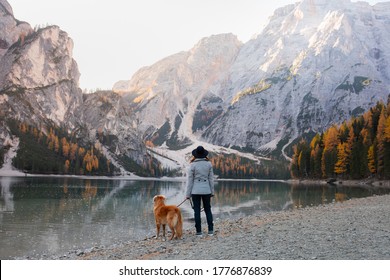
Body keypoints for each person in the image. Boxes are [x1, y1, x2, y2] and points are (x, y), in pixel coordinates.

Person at [185, 146, 215, 236]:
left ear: (196, 155)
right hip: (206, 190)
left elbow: (190, 181)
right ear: (204, 155)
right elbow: (211, 180)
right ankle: (210, 231)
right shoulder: (209, 164)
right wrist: (212, 192)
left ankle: (199, 232)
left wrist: (188, 194)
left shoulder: (192, 165)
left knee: (196, 211)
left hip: (195, 191)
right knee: (208, 210)